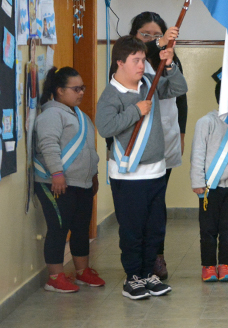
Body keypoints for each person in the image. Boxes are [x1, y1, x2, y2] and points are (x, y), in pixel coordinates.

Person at [95, 35, 187, 300]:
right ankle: (133, 277)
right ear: (119, 63)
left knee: (154, 229)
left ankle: (149, 275)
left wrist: (169, 67)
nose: (141, 66)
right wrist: (136, 111)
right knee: (133, 230)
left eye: (144, 60)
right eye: (136, 61)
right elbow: (105, 127)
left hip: (156, 171)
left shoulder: (149, 82)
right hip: (128, 174)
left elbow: (179, 87)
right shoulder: (111, 95)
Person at [33, 67, 104, 293]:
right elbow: (48, 145)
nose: (81, 92)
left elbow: (89, 149)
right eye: (76, 89)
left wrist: (93, 175)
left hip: (81, 183)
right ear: (60, 91)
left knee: (81, 228)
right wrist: (56, 173)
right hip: (56, 182)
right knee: (58, 228)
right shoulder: (51, 115)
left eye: (82, 88)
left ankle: (82, 272)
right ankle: (55, 277)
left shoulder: (80, 116)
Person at [130, 11, 187, 280]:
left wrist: (183, 132)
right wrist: (159, 42)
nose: (152, 40)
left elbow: (181, 96)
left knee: (157, 201)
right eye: (146, 35)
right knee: (138, 202)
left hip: (167, 135)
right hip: (136, 140)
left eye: (157, 34)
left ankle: (157, 255)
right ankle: (137, 257)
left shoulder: (170, 59)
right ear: (133, 37)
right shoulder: (127, 61)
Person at [190, 83, 228, 283]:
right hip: (209, 187)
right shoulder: (205, 122)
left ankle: (225, 265)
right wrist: (197, 181)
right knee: (207, 229)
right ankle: (208, 265)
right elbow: (197, 154)